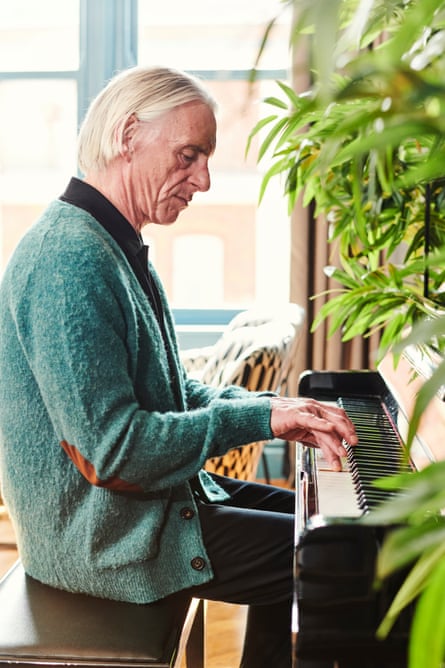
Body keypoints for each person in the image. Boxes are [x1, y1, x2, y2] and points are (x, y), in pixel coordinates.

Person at [0, 66, 357, 668]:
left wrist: (276, 412)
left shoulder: (114, 245)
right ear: (128, 134)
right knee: (331, 560)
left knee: (320, 527)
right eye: (189, 155)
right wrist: (266, 422)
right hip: (100, 539)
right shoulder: (69, 260)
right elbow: (115, 452)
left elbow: (176, 393)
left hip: (137, 513)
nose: (207, 180)